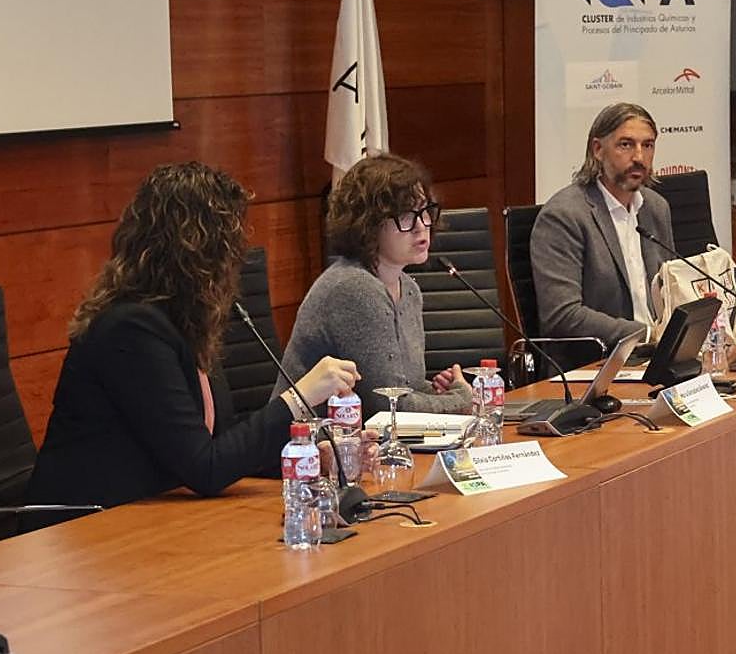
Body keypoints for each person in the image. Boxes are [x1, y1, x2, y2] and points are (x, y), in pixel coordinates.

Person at [27, 163, 361, 512]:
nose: (236, 259)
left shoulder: (183, 320)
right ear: (195, 252)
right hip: (84, 532)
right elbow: (205, 468)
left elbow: (221, 442)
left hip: (152, 517)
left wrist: (307, 457)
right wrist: (299, 398)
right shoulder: (130, 330)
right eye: (228, 245)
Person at [274, 154, 473, 420]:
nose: (421, 226)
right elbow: (389, 405)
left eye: (425, 211)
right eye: (405, 216)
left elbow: (404, 390)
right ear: (368, 223)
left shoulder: (409, 290)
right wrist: (460, 399)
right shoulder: (355, 288)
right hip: (310, 449)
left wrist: (438, 392)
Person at [530, 102, 675, 356]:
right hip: (598, 362)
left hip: (656, 356)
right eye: (626, 145)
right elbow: (562, 315)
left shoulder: (655, 207)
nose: (639, 157)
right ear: (598, 149)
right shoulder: (565, 215)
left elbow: (669, 290)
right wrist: (647, 334)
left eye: (648, 145)